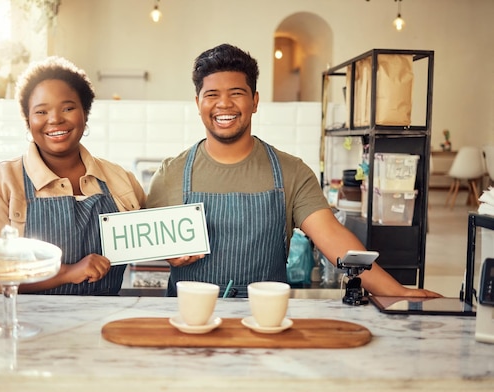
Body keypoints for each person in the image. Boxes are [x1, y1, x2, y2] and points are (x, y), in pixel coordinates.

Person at [146, 43, 441, 299]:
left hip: (265, 318)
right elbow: (143, 243)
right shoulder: (171, 173)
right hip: (190, 320)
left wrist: (395, 290)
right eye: (211, 95)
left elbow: (332, 237)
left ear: (255, 101)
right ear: (198, 103)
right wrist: (166, 255)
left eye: (236, 93)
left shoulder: (291, 172)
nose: (224, 103)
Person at [0, 56, 146, 294]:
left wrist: (180, 250)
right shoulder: (3, 182)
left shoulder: (120, 180)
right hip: (19, 324)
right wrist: (66, 273)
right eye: (41, 111)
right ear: (28, 121)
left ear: (85, 114)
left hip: (98, 324)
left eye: (68, 108)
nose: (55, 119)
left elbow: (153, 239)